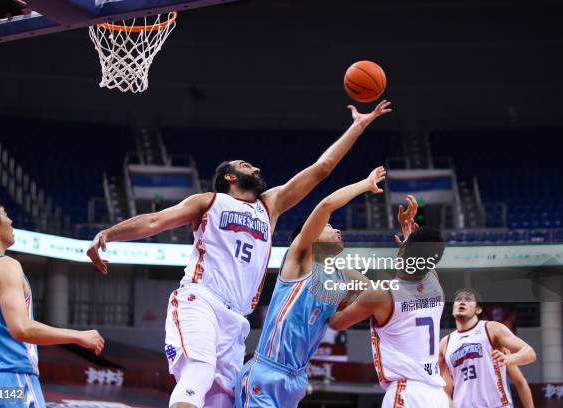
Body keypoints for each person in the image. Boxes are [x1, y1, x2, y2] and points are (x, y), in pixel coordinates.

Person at [87, 101, 393, 408]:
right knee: (198, 373)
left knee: (223, 400)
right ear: (230, 177)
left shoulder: (269, 205)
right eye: (246, 166)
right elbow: (155, 221)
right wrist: (109, 233)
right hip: (201, 300)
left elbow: (321, 170)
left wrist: (358, 126)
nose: (256, 168)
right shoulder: (208, 202)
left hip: (236, 320)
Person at [234, 166, 386, 408]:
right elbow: (326, 205)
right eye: (328, 227)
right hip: (268, 371)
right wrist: (365, 185)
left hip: (297, 380)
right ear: (311, 235)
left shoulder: (339, 277)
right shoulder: (300, 259)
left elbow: (377, 297)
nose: (337, 229)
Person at [0, 192, 104, 408]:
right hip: (10, 380)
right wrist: (79, 336)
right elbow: (21, 328)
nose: (11, 220)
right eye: (5, 215)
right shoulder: (5, 265)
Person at [329, 200, 449, 407]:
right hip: (437, 395)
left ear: (402, 254)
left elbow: (336, 323)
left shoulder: (382, 294)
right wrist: (409, 235)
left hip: (406, 393)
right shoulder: (435, 285)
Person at [439, 288, 536, 408]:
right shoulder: (445, 343)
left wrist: (510, 358)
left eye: (468, 299)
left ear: (478, 309)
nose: (462, 302)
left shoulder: (491, 329)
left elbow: (530, 353)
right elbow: (442, 389)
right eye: (458, 300)